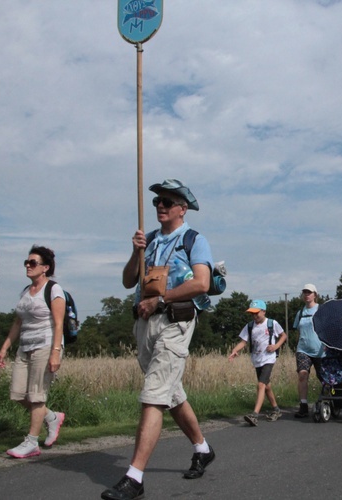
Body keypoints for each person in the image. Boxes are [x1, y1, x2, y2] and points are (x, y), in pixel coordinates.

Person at [102, 179, 215, 500]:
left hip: (175, 321)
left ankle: (134, 478)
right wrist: (135, 252)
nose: (160, 206)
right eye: (157, 202)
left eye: (167, 201)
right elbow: (128, 281)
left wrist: (161, 299)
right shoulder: (149, 240)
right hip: (145, 323)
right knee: (171, 393)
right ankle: (203, 448)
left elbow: (202, 283)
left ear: (183, 208)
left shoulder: (194, 239)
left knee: (154, 394)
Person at [0, 246, 66, 459]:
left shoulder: (54, 290)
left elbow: (59, 323)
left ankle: (31, 442)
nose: (28, 265)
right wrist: (5, 347)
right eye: (26, 262)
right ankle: (52, 417)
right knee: (17, 394)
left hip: (45, 346)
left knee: (36, 396)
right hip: (24, 347)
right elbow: (18, 322)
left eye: (32, 262)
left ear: (45, 268)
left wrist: (55, 352)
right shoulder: (26, 291)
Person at [228, 299, 288, 426]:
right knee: (266, 386)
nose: (254, 316)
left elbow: (283, 336)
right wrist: (234, 350)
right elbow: (243, 342)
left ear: (263, 311)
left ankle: (254, 415)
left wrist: (276, 346)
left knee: (260, 384)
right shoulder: (250, 326)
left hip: (269, 358)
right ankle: (276, 410)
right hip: (257, 359)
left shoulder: (272, 323)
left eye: (257, 313)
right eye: (252, 313)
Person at [291, 284, 323, 418]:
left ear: (315, 295)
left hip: (321, 350)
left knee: (324, 377)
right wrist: (298, 345)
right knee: (302, 375)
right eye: (304, 292)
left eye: (309, 292)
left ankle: (328, 401)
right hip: (303, 350)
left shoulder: (321, 310)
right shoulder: (300, 313)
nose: (306, 295)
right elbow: (297, 330)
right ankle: (303, 405)